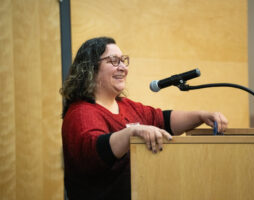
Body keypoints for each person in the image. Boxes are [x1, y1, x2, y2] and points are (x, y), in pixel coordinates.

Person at [60, 36, 228, 200]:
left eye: (123, 60)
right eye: (113, 61)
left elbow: (164, 120)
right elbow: (93, 152)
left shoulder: (127, 106)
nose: (122, 67)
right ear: (90, 68)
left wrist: (201, 115)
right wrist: (132, 133)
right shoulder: (80, 113)